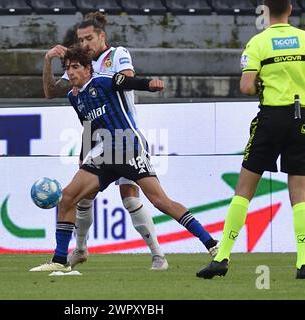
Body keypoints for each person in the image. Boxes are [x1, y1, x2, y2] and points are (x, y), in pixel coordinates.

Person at [42, 12, 219, 270]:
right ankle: (61, 260)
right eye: (68, 69)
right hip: (103, 153)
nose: (71, 72)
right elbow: (88, 124)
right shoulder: (75, 96)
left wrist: (150, 84)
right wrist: (85, 152)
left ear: (88, 67)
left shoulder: (106, 74)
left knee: (157, 201)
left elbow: (126, 81)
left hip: (127, 144)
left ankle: (210, 243)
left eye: (75, 67)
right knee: (70, 196)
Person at [196, 0, 305, 280]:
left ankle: (222, 257)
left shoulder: (258, 43)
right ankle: (303, 263)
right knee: (300, 193)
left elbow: (247, 86)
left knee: (244, 190)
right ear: (290, 9)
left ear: (264, 11)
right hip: (303, 119)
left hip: (271, 119)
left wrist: (264, 83)